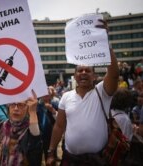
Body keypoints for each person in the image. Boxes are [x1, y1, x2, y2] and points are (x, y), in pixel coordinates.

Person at [46, 19, 119, 166]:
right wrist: (51, 152)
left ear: (95, 76)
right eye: (80, 70)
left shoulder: (102, 92)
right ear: (74, 76)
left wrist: (105, 43)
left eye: (88, 71)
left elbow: (114, 74)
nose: (83, 73)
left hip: (98, 160)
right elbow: (59, 126)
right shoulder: (66, 97)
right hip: (70, 159)